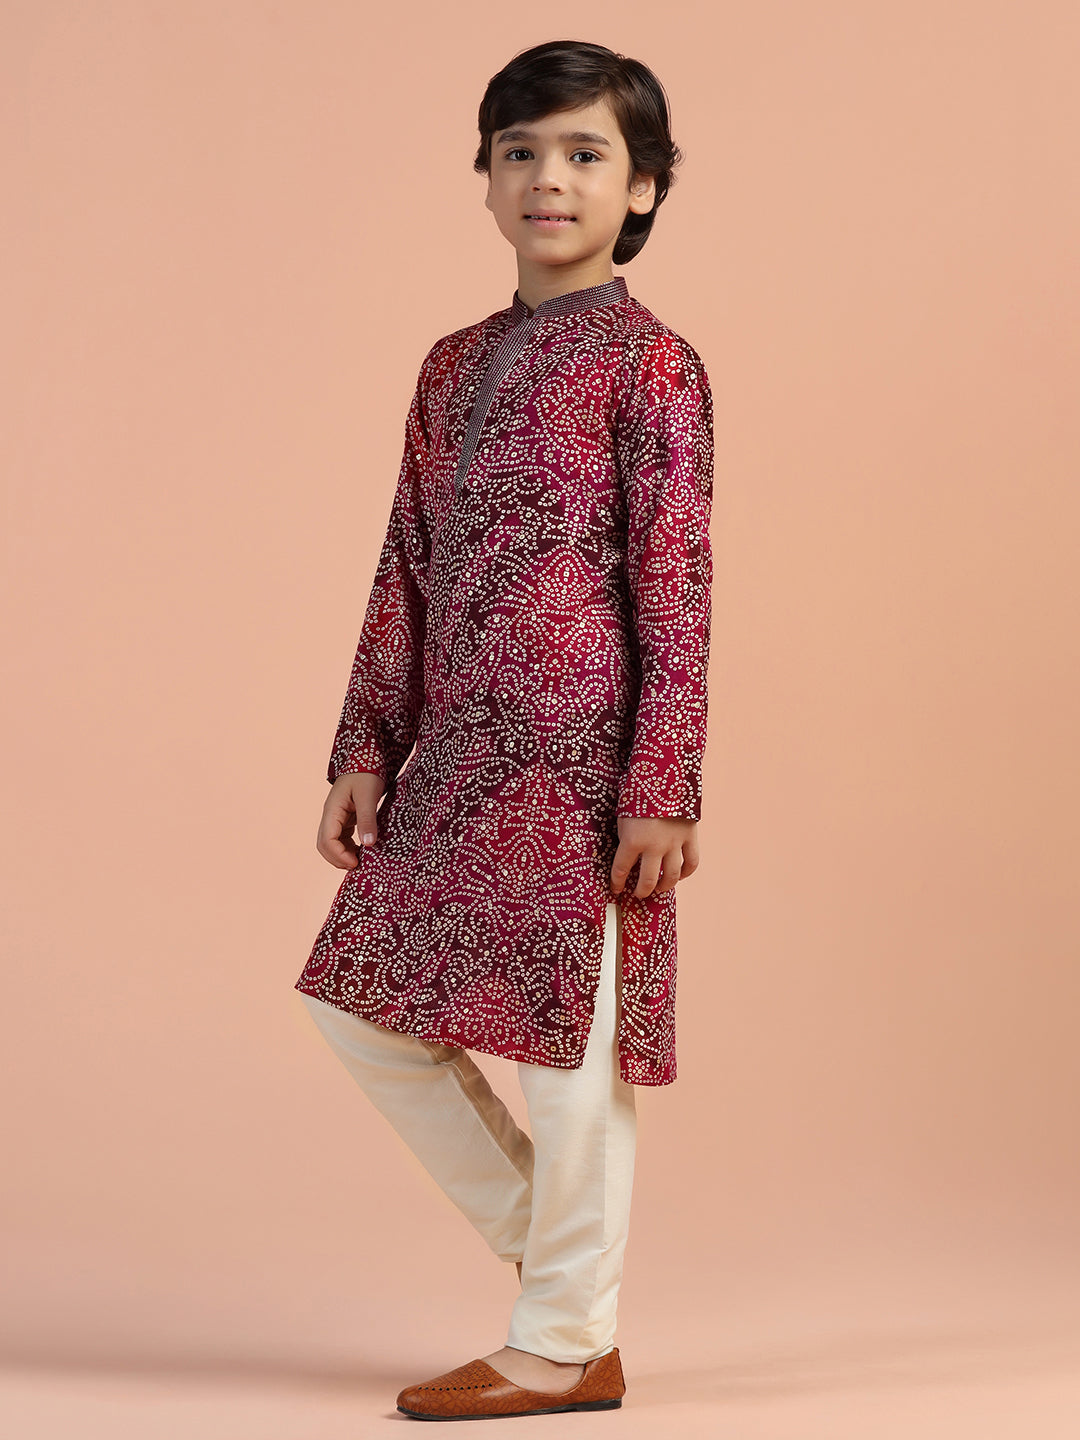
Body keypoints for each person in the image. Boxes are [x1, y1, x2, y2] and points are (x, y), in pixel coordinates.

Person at [293, 38, 714, 1421]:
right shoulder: (451, 366)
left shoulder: (653, 366)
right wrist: (366, 747)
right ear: (484, 178)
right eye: (522, 151)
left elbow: (675, 580)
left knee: (567, 1053)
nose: (550, 178)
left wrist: (662, 780)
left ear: (640, 188)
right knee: (363, 1009)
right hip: (458, 753)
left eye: (587, 153)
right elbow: (407, 560)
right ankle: (569, 1287)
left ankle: (563, 1340)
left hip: (586, 759)